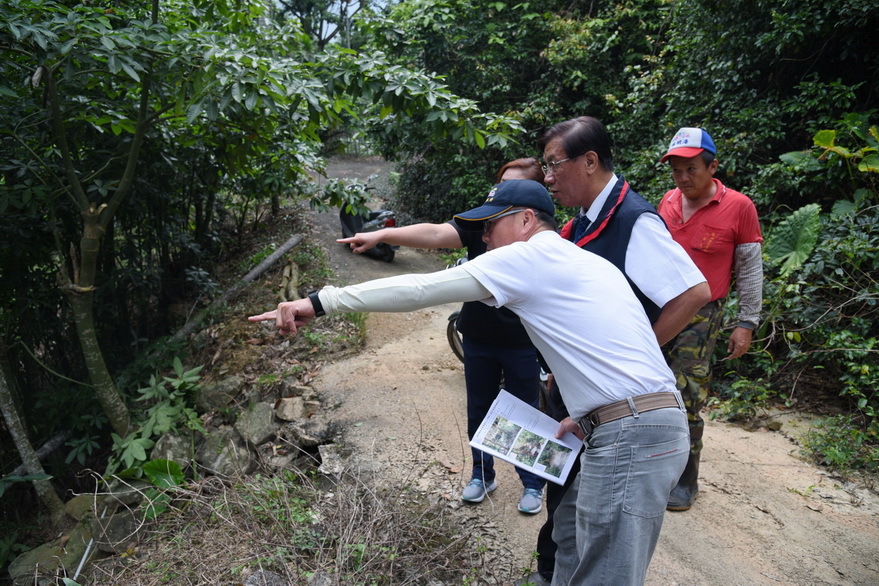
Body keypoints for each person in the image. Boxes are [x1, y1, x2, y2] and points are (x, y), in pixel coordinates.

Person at [249, 179, 690, 584]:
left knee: (606, 575)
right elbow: (626, 348)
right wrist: (590, 411)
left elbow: (423, 289)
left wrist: (323, 301)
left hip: (632, 433)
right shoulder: (587, 262)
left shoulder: (528, 255)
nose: (484, 238)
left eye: (490, 226)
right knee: (571, 540)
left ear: (525, 220)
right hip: (639, 421)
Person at [518, 115, 712, 586]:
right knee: (569, 509)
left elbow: (693, 292)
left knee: (606, 528)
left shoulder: (634, 220)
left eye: (553, 165)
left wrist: (636, 352)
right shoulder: (582, 223)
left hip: (621, 407)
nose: (547, 177)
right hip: (583, 400)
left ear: (589, 161)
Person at [337, 158, 548, 514]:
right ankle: (482, 474)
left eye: (512, 192)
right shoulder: (484, 225)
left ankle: (532, 482)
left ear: (530, 211)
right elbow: (436, 234)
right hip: (479, 336)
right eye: (498, 188)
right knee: (479, 408)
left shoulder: (546, 247)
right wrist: (384, 233)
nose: (498, 201)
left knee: (524, 411)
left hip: (523, 342)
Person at [657, 127, 764, 511]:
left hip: (702, 318)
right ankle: (656, 468)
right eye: (676, 170)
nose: (683, 179)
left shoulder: (739, 207)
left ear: (713, 166)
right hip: (660, 308)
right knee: (649, 389)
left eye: (691, 169)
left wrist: (746, 321)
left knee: (688, 395)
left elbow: (749, 270)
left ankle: (687, 479)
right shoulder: (667, 202)